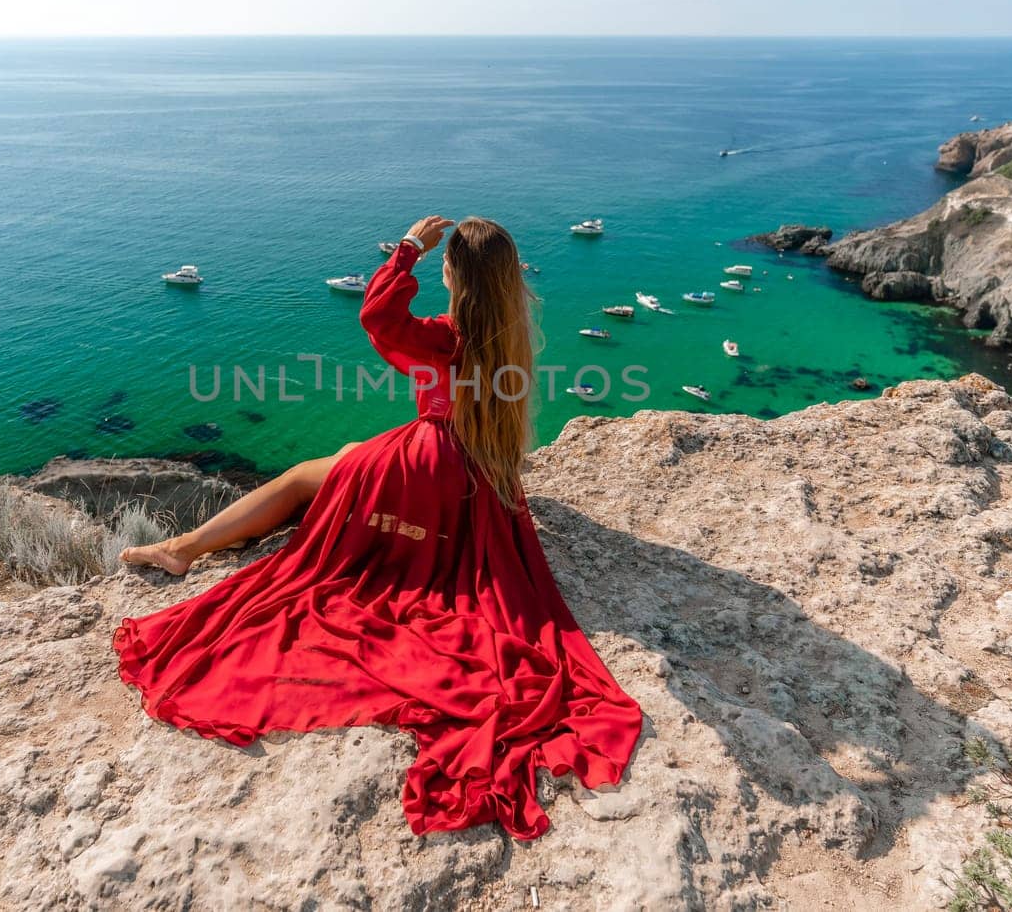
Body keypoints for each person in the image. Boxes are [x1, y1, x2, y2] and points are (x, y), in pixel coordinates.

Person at [113, 215, 642, 840]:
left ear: (453, 275)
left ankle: (181, 549)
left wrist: (407, 251)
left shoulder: (447, 335)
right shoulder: (507, 333)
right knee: (343, 458)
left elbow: (377, 320)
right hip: (479, 469)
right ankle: (200, 541)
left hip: (429, 460)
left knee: (299, 481)